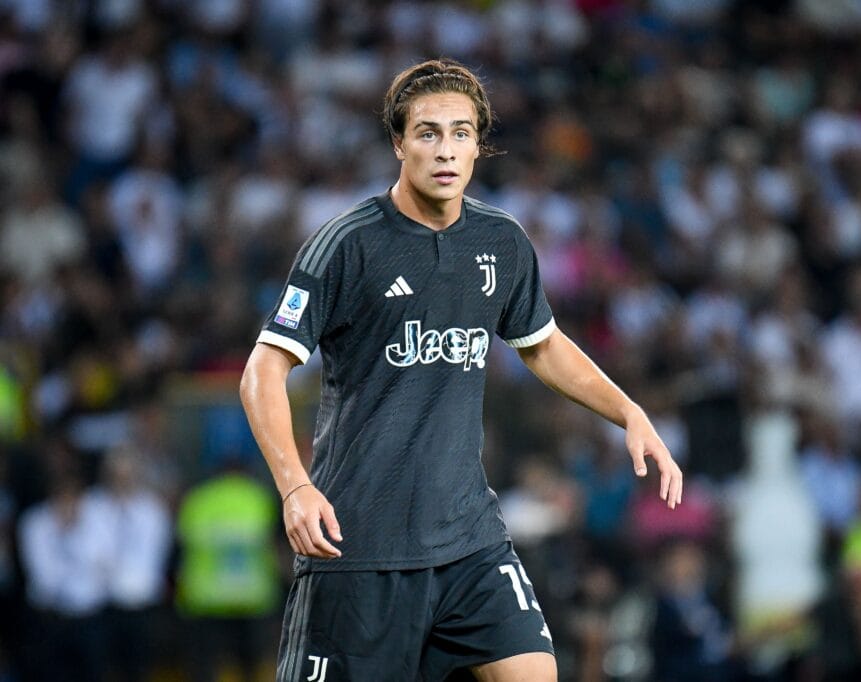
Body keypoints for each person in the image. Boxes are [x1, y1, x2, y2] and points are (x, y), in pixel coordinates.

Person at [239, 58, 683, 682]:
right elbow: (261, 371)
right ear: (399, 144)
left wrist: (629, 412)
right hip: (359, 542)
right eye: (427, 133)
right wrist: (294, 487)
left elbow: (542, 345)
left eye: (461, 133)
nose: (445, 149)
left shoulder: (501, 242)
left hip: (468, 539)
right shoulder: (347, 244)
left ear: (479, 146)